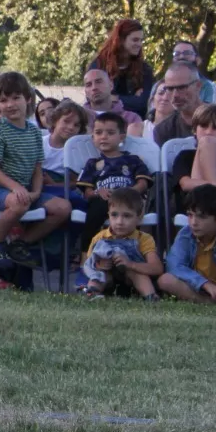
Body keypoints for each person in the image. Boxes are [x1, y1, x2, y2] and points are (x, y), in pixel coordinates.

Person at [0, 71, 73, 287]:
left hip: (25, 190)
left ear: (27, 99)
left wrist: (36, 192)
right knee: (18, 203)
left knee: (63, 207)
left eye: (15, 98)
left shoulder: (35, 133)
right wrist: (17, 188)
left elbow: (37, 168)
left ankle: (19, 245)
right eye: (3, 100)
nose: (9, 104)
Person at [73, 111, 152, 255]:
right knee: (95, 210)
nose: (103, 136)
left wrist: (128, 193)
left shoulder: (133, 160)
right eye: (98, 132)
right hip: (103, 200)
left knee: (132, 208)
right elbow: (87, 193)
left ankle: (133, 253)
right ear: (93, 138)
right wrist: (98, 192)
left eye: (110, 133)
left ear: (121, 137)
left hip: (129, 200)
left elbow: (143, 183)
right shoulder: (92, 164)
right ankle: (86, 255)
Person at [78, 187, 160, 300]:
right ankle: (92, 293)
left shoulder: (144, 238)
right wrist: (99, 265)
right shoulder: (99, 238)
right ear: (108, 215)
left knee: (137, 274)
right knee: (99, 275)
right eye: (114, 215)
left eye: (127, 216)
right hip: (109, 280)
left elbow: (157, 268)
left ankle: (151, 297)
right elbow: (89, 264)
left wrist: (131, 264)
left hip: (132, 282)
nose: (119, 222)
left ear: (139, 217)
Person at [92, 18, 154, 116]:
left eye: (141, 40)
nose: (139, 44)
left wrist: (114, 98)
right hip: (104, 122)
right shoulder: (100, 65)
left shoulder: (144, 70)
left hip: (135, 124)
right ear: (121, 40)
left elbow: (143, 103)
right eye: (135, 40)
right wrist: (132, 98)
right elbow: (94, 99)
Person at [151, 62, 202, 146]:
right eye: (170, 89)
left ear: (198, 86)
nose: (175, 95)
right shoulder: (163, 130)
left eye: (182, 88)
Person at [81, 67, 142, 135]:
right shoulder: (79, 118)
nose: (94, 87)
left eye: (98, 82)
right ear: (85, 91)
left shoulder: (131, 118)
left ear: (111, 85)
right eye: (88, 85)